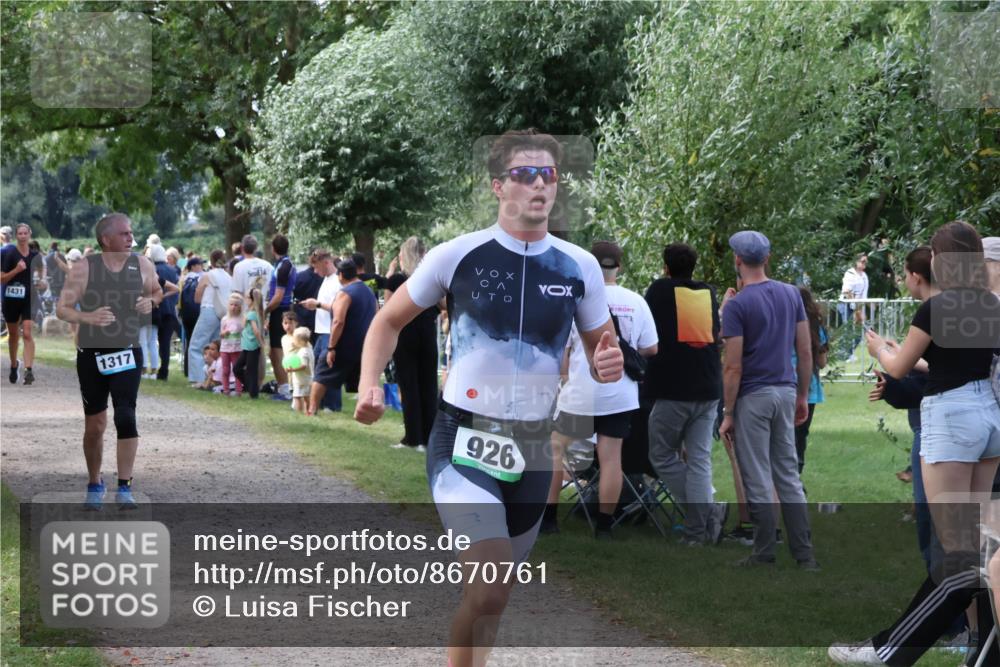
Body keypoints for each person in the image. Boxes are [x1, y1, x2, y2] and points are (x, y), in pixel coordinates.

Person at [353, 129, 623, 667]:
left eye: (548, 174)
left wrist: (607, 365)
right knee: (492, 581)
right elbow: (387, 320)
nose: (539, 185)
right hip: (464, 437)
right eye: (525, 174)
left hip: (532, 448)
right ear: (498, 186)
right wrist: (368, 382)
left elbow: (602, 350)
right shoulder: (459, 255)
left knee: (492, 594)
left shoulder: (579, 267)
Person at [830, 221, 1000, 665]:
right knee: (980, 545)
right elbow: (958, 360)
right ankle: (980, 645)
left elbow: (900, 366)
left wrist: (878, 351)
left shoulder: (935, 308)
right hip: (988, 415)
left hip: (951, 419)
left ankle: (893, 650)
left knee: (957, 553)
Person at [718, 230, 818, 570]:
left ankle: (764, 552)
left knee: (758, 475)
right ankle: (805, 555)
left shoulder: (737, 305)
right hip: (786, 390)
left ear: (737, 260)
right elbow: (804, 350)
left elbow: (733, 366)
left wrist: (729, 412)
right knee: (788, 474)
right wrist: (802, 394)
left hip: (753, 397)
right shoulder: (791, 294)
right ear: (767, 258)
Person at [545, 240, 658, 539]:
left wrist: (564, 380)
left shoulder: (577, 299)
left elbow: (563, 351)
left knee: (554, 450)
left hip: (581, 391)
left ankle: (548, 519)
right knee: (611, 459)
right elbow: (651, 347)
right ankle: (605, 526)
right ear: (619, 267)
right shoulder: (636, 301)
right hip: (618, 392)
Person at [56, 213, 164, 510]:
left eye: (131, 233)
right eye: (125, 233)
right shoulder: (83, 268)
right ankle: (94, 482)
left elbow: (157, 291)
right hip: (92, 353)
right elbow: (63, 308)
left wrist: (151, 301)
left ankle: (125, 486)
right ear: (106, 239)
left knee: (126, 415)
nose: (131, 238)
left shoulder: (142, 264)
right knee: (96, 424)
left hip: (128, 351)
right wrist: (87, 316)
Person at [643, 242, 727, 545]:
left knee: (662, 455)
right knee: (700, 461)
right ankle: (699, 529)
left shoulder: (659, 291)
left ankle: (702, 517)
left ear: (666, 267)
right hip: (708, 387)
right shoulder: (706, 293)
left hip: (675, 388)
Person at [385, 237, 440, 452]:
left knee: (409, 386)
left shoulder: (396, 280)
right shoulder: (432, 278)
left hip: (405, 335)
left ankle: (413, 437)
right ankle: (428, 437)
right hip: (427, 333)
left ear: (403, 256)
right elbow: (443, 304)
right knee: (428, 385)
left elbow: (388, 312)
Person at [307, 258, 376, 415]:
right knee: (363, 380)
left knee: (321, 375)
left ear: (341, 275)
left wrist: (331, 347)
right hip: (364, 345)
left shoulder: (345, 293)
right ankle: (364, 411)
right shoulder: (368, 291)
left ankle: (312, 410)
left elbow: (338, 321)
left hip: (344, 345)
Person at [299, 251, 343, 412]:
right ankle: (322, 402)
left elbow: (339, 308)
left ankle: (333, 404)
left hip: (329, 330)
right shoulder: (326, 279)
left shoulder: (338, 282)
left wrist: (317, 304)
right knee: (317, 364)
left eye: (316, 267)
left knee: (328, 366)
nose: (315, 272)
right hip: (322, 330)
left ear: (326, 263)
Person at [792, 286, 828, 478]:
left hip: (784, 385)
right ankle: (795, 481)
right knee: (800, 438)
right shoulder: (816, 327)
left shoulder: (782, 323)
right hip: (809, 389)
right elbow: (822, 362)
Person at [2, 223, 44, 385]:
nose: (22, 236)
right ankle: (14, 365)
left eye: (25, 233)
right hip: (11, 299)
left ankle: (29, 370)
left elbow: (41, 270)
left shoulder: (35, 256)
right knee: (13, 335)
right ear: (16, 236)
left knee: (27, 333)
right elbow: (2, 278)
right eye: (20, 233)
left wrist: (41, 281)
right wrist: (16, 270)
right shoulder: (9, 254)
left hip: (29, 298)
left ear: (30, 234)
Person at [187, 250, 231, 385]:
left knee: (196, 345)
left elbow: (197, 297)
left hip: (209, 309)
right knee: (215, 346)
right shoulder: (229, 277)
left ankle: (197, 378)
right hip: (224, 313)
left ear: (211, 261)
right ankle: (214, 378)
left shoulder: (208, 275)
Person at [265, 234, 297, 399]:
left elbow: (279, 296)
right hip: (279, 309)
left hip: (281, 309)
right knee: (274, 352)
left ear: (273, 248)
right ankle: (282, 386)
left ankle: (285, 390)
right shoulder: (281, 264)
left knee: (278, 352)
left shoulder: (284, 266)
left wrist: (265, 311)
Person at [154, 246, 181, 380]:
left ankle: (152, 368)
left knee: (150, 339)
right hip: (170, 308)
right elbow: (176, 288)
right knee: (165, 342)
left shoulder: (154, 269)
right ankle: (164, 370)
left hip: (157, 308)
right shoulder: (172, 269)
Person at [233, 288, 265, 399]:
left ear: (252, 300)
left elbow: (256, 330)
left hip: (252, 346)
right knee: (238, 368)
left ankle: (253, 392)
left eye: (247, 298)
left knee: (250, 371)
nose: (245, 299)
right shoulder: (254, 313)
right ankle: (251, 387)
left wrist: (261, 343)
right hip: (248, 346)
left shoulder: (252, 314)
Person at [840, 252, 869, 361]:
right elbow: (847, 292)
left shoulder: (865, 276)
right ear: (856, 262)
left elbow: (864, 295)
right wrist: (857, 310)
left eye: (866, 261)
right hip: (846, 304)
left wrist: (861, 310)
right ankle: (845, 355)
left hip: (858, 305)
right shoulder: (850, 273)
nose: (864, 264)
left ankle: (847, 353)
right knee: (848, 330)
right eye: (862, 261)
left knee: (859, 331)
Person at [179, 256, 204, 378]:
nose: (201, 266)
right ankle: (198, 371)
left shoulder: (183, 279)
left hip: (186, 315)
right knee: (199, 343)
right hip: (197, 314)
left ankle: (187, 370)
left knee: (189, 342)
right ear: (193, 266)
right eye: (199, 264)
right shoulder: (202, 278)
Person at [293, 249, 325, 342]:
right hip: (319, 318)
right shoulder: (324, 278)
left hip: (302, 317)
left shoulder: (300, 277)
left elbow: (294, 297)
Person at [218, 293, 245, 396]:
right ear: (228, 306)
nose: (233, 307)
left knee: (236, 370)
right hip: (225, 348)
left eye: (236, 305)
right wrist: (224, 333)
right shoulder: (224, 319)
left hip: (237, 348)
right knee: (225, 370)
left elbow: (244, 333)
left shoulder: (242, 319)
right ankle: (226, 389)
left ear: (240, 307)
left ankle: (238, 390)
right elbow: (221, 334)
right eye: (231, 304)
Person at [285, 326, 315, 414]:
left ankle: (298, 413)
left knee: (297, 396)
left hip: (302, 380)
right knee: (306, 397)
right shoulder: (309, 349)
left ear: (300, 341)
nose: (293, 341)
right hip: (308, 378)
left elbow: (303, 366)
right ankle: (309, 412)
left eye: (295, 340)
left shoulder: (303, 352)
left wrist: (292, 370)